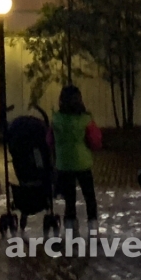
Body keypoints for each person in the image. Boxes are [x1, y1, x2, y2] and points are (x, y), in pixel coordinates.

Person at [48, 84, 102, 234]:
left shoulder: (56, 119)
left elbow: (49, 141)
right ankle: (92, 225)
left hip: (64, 165)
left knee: (69, 198)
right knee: (89, 196)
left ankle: (71, 225)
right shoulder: (85, 120)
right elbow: (95, 141)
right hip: (83, 163)